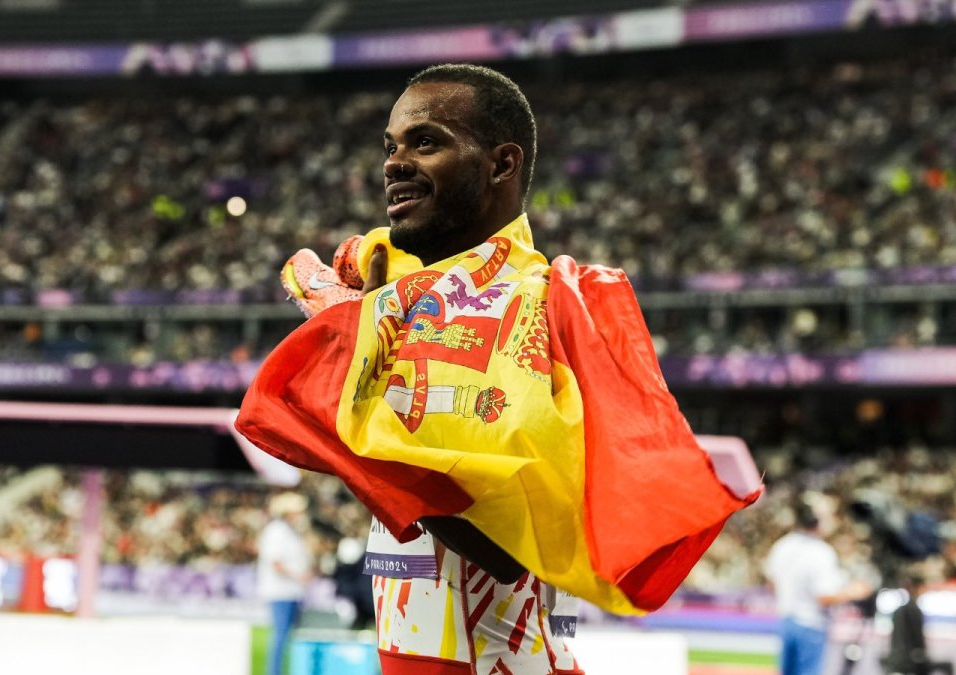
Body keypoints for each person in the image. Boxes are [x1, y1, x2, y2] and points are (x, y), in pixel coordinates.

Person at [240, 62, 756, 675]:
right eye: (391, 146)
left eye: (426, 141)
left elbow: (502, 545)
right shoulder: (412, 305)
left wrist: (352, 366)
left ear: (501, 165)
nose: (394, 163)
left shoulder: (533, 309)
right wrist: (366, 333)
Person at [765, 500, 873, 675]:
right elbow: (824, 597)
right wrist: (855, 591)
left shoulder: (782, 545)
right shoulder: (820, 552)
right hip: (811, 625)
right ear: (817, 520)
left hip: (786, 621)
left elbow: (771, 584)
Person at [257, 491, 314, 675]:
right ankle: (274, 672)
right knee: (281, 635)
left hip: (290, 591)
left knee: (286, 635)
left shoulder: (288, 530)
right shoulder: (277, 530)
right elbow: (276, 563)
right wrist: (299, 576)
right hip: (280, 592)